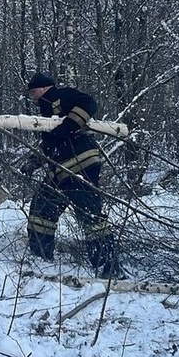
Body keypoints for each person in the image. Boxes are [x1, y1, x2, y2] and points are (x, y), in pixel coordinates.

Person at [20, 72, 121, 278]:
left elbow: (88, 103)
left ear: (44, 87)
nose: (33, 95)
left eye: (34, 90)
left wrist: (67, 126)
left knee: (90, 215)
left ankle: (107, 267)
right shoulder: (46, 108)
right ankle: (40, 256)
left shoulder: (61, 96)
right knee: (42, 208)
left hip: (80, 165)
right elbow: (51, 143)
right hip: (59, 171)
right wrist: (34, 162)